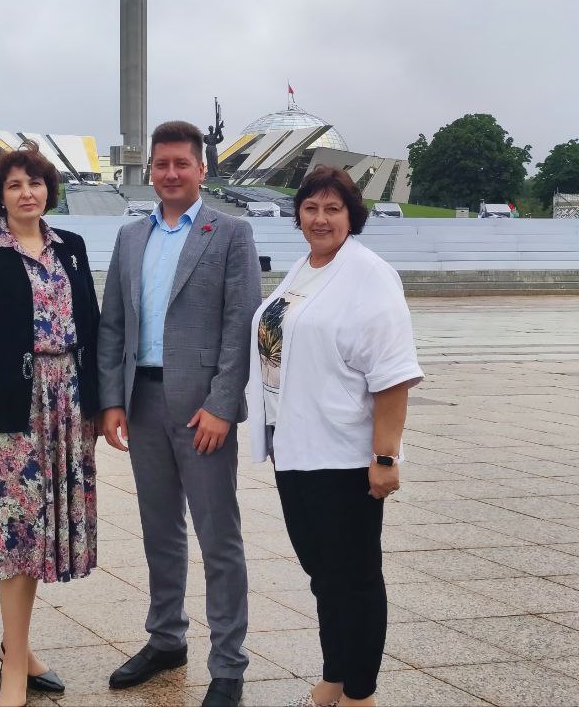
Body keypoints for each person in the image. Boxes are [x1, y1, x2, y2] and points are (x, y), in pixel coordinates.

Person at [244, 166, 423, 707]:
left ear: (352, 215)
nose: (320, 219)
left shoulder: (369, 275)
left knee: (356, 577)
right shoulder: (305, 267)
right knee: (323, 574)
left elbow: (393, 374)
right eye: (311, 208)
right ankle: (336, 675)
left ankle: (361, 694)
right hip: (295, 447)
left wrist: (385, 457)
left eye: (333, 209)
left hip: (344, 455)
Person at [97, 120, 261, 707]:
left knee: (218, 537)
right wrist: (111, 400)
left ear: (201, 170)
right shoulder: (131, 237)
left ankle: (228, 665)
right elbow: (113, 323)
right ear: (151, 170)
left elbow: (241, 324)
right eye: (161, 164)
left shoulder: (230, 232)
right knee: (159, 530)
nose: (170, 174)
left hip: (201, 412)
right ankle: (166, 638)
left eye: (181, 164)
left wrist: (222, 404)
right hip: (142, 402)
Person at [0, 145, 100, 707]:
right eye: (14, 185)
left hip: (67, 405)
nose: (26, 193)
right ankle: (14, 665)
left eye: (34, 183)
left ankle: (19, 649)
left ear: (48, 191)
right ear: (0, 196)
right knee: (17, 536)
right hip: (12, 409)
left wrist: (99, 406)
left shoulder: (71, 247)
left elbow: (92, 326)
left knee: (39, 538)